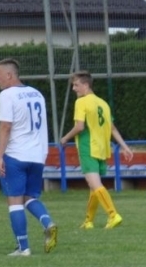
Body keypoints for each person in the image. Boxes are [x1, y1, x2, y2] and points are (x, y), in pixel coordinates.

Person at [0, 59, 58, 256]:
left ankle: (24, 248)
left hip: (16, 154)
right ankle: (48, 223)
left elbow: (6, 126)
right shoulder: (36, 94)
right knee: (30, 197)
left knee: (14, 201)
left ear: (9, 75)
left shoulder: (7, 95)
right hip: (37, 155)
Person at [57, 71, 133, 229]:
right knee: (93, 187)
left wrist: (65, 138)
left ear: (86, 85)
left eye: (76, 85)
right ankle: (88, 221)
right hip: (102, 149)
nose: (74, 89)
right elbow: (112, 129)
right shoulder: (103, 103)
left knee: (95, 184)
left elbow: (79, 127)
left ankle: (113, 215)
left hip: (88, 147)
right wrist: (125, 147)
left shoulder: (81, 102)